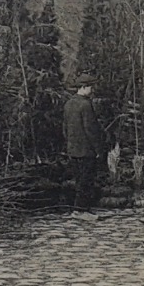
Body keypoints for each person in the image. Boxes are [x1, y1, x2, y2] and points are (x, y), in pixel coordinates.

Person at [63, 74, 105, 211]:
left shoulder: (69, 103)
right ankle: (81, 210)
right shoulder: (86, 105)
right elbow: (91, 130)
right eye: (91, 87)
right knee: (86, 182)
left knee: (79, 181)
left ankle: (79, 209)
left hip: (73, 149)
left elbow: (65, 128)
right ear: (83, 87)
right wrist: (98, 150)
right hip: (86, 150)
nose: (92, 90)